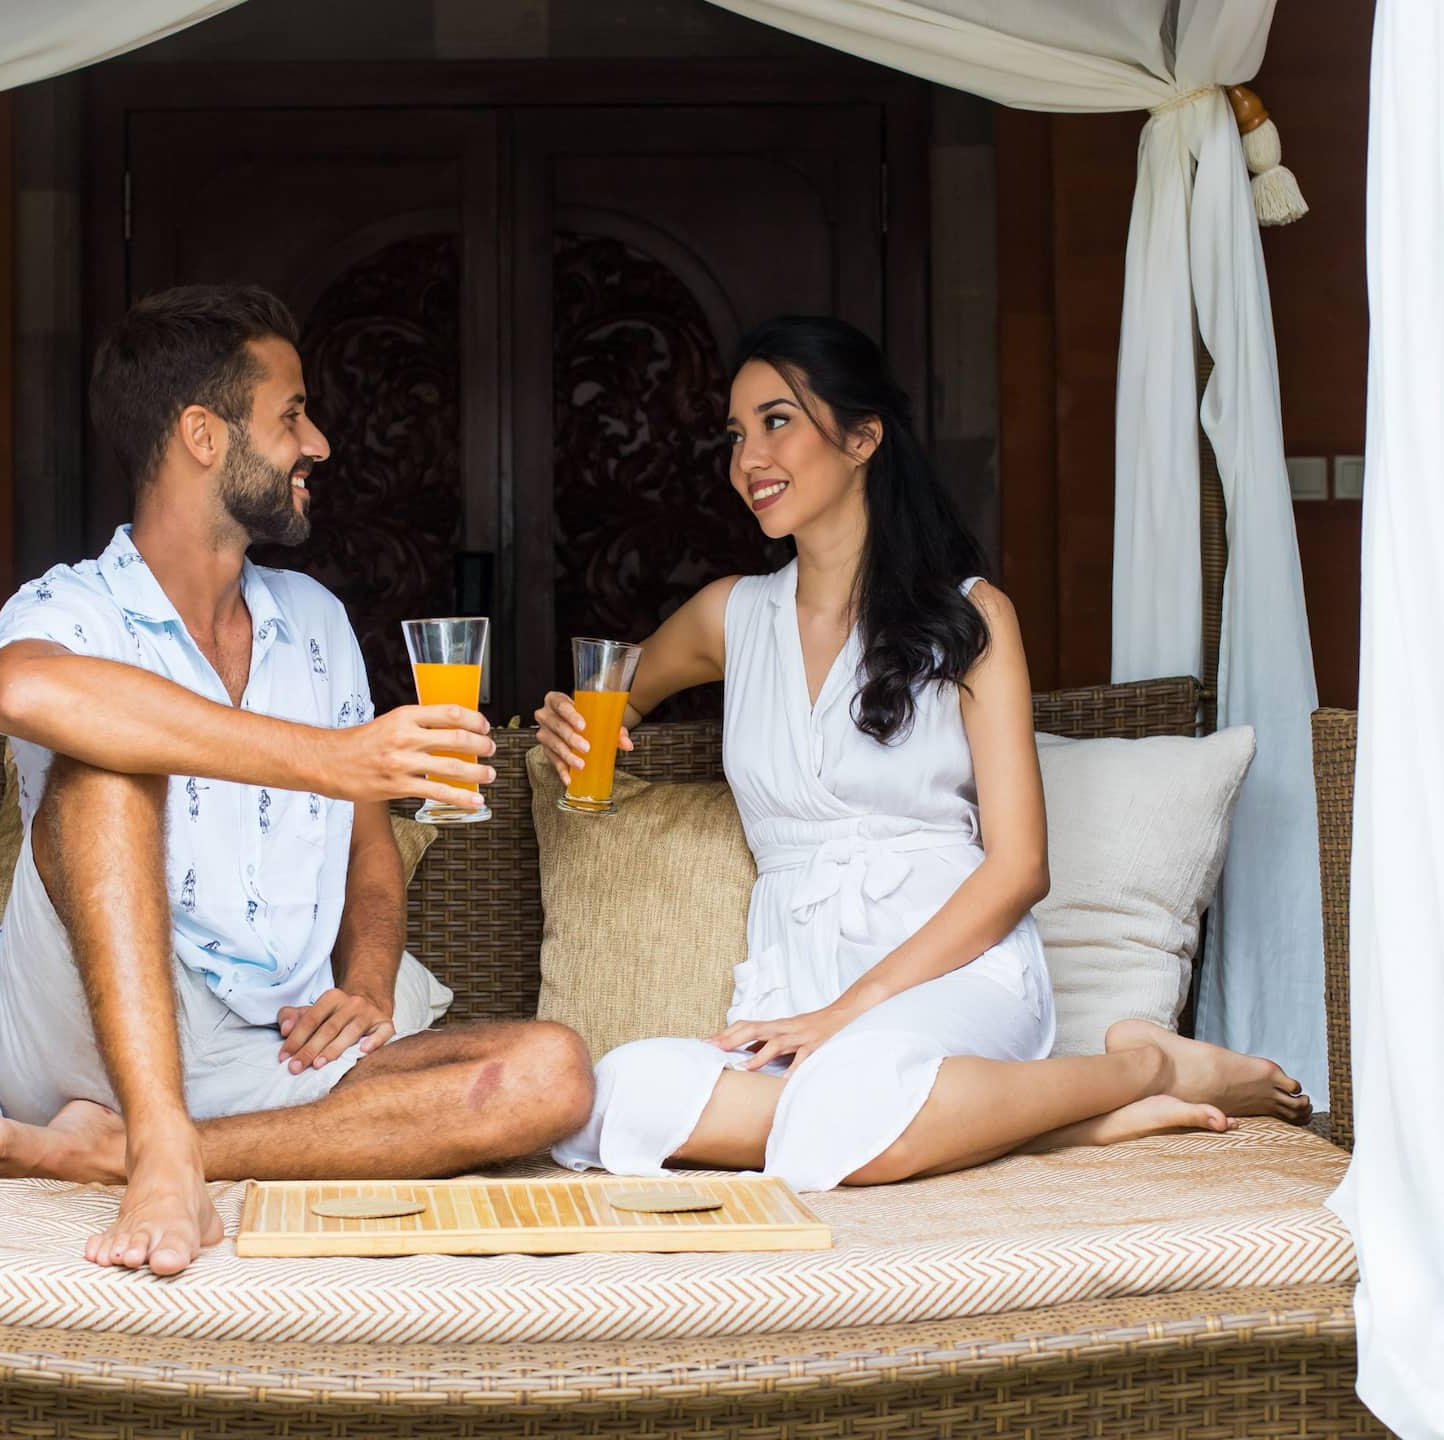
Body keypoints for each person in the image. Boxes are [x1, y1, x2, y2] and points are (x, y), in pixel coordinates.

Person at [536, 315, 1309, 1191]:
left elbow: (1019, 869)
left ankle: (1150, 1067)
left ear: (863, 436)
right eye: (736, 433)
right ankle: (1063, 1120)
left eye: (777, 420)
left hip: (953, 973)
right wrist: (569, 720)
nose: (748, 456)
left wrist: (849, 1012)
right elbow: (610, 701)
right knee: (616, 1093)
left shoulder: (972, 618)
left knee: (845, 1090)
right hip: (793, 981)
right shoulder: (730, 616)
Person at [0, 284, 592, 1275]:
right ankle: (158, 1140)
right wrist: (328, 758)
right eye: (291, 414)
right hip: (82, 1020)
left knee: (550, 1075)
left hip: (264, 1048)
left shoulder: (316, 622)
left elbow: (372, 856)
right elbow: (23, 691)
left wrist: (369, 983)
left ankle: (134, 1149)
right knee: (109, 764)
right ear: (203, 436)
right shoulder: (73, 606)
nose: (318, 443)